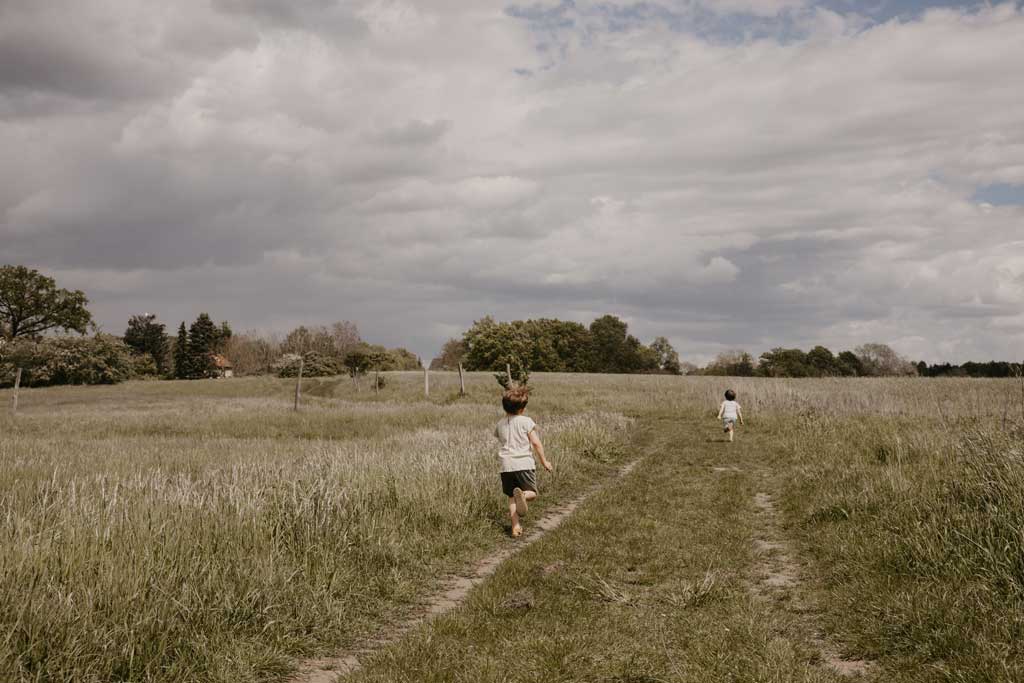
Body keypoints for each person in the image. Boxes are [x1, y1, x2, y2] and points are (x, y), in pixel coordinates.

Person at [494, 385, 553, 538]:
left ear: (504, 407)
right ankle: (524, 496)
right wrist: (544, 461)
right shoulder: (526, 421)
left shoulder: (500, 424)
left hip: (506, 466)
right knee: (532, 493)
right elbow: (536, 443)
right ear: (522, 409)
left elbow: (501, 439)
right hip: (524, 464)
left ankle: (515, 527)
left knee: (512, 497)